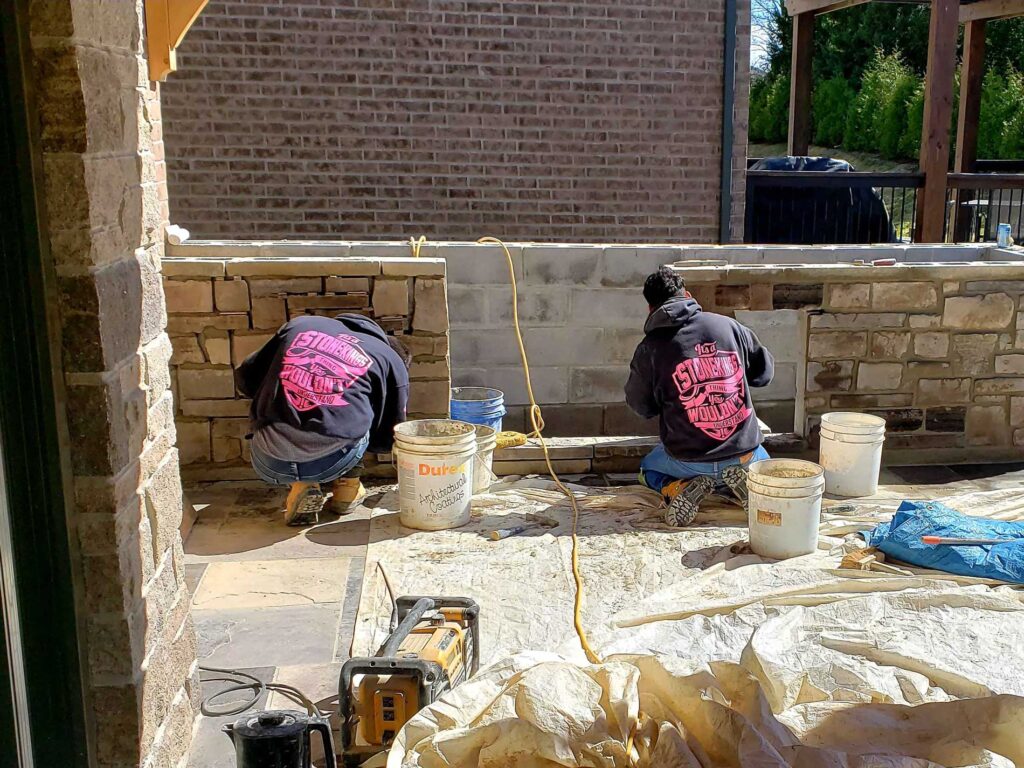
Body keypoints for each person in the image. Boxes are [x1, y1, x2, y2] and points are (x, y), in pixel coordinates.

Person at [625, 267, 775, 527]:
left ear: (650, 309)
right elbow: (764, 374)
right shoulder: (730, 327)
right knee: (763, 464)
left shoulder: (649, 349)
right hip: (745, 456)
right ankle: (745, 487)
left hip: (689, 462)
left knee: (647, 469)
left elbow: (641, 406)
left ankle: (678, 488)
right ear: (688, 295)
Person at [236, 314, 410, 525]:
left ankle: (303, 486)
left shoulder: (301, 325)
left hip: (270, 460)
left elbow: (247, 376)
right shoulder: (389, 359)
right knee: (362, 411)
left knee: (281, 404)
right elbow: (390, 431)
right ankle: (348, 490)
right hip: (333, 460)